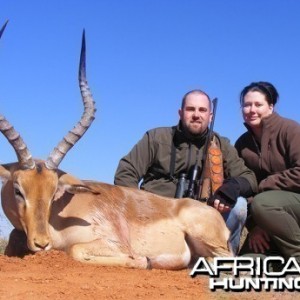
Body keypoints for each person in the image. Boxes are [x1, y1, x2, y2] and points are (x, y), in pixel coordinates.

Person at [114, 89, 258, 255]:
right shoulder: (156, 137)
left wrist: (231, 188)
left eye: (202, 110)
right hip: (157, 215)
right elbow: (126, 172)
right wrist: (139, 207)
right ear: (180, 113)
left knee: (239, 206)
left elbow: (249, 178)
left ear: (210, 116)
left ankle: (225, 256)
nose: (196, 115)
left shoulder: (221, 144)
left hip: (200, 217)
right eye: (191, 109)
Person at [235, 81, 300, 265]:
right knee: (248, 264)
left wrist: (264, 186)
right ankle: (281, 262)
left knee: (264, 202)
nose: (251, 110)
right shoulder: (242, 144)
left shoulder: (291, 130)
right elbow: (243, 186)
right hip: (268, 217)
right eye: (247, 105)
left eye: (258, 104)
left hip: (291, 207)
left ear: (270, 107)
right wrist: (258, 226)